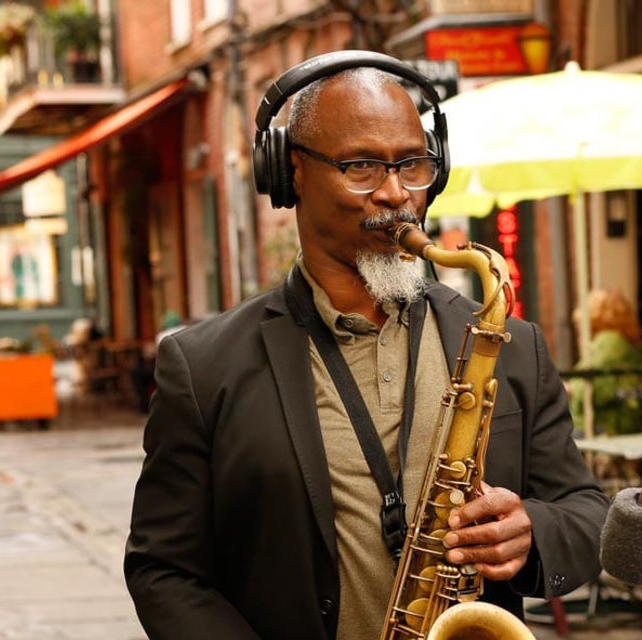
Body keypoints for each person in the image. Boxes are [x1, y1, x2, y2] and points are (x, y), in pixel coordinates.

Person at [124, 55, 607, 640]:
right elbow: (163, 570)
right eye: (361, 167)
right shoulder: (202, 368)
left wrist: (533, 531)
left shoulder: (512, 344)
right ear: (290, 172)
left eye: (413, 164)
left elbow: (587, 512)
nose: (395, 193)